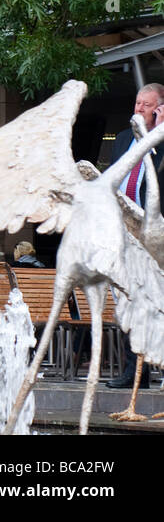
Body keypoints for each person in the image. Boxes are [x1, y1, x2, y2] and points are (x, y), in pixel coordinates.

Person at [106, 83, 164, 389]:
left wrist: (162, 128)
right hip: (125, 234)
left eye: (146, 105)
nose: (138, 108)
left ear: (159, 109)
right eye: (137, 102)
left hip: (154, 233)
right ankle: (134, 373)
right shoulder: (124, 138)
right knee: (128, 299)